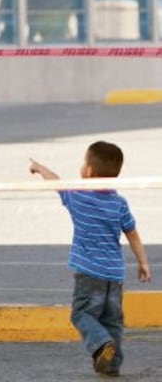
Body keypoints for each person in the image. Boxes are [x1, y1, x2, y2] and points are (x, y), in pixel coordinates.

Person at [29, 141, 151, 377]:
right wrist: (143, 262)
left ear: (89, 172)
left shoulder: (78, 197)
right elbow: (133, 234)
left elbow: (57, 182)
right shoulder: (119, 204)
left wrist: (39, 168)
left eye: (84, 162)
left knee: (81, 314)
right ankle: (112, 365)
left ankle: (101, 344)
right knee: (112, 321)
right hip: (114, 275)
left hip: (89, 273)